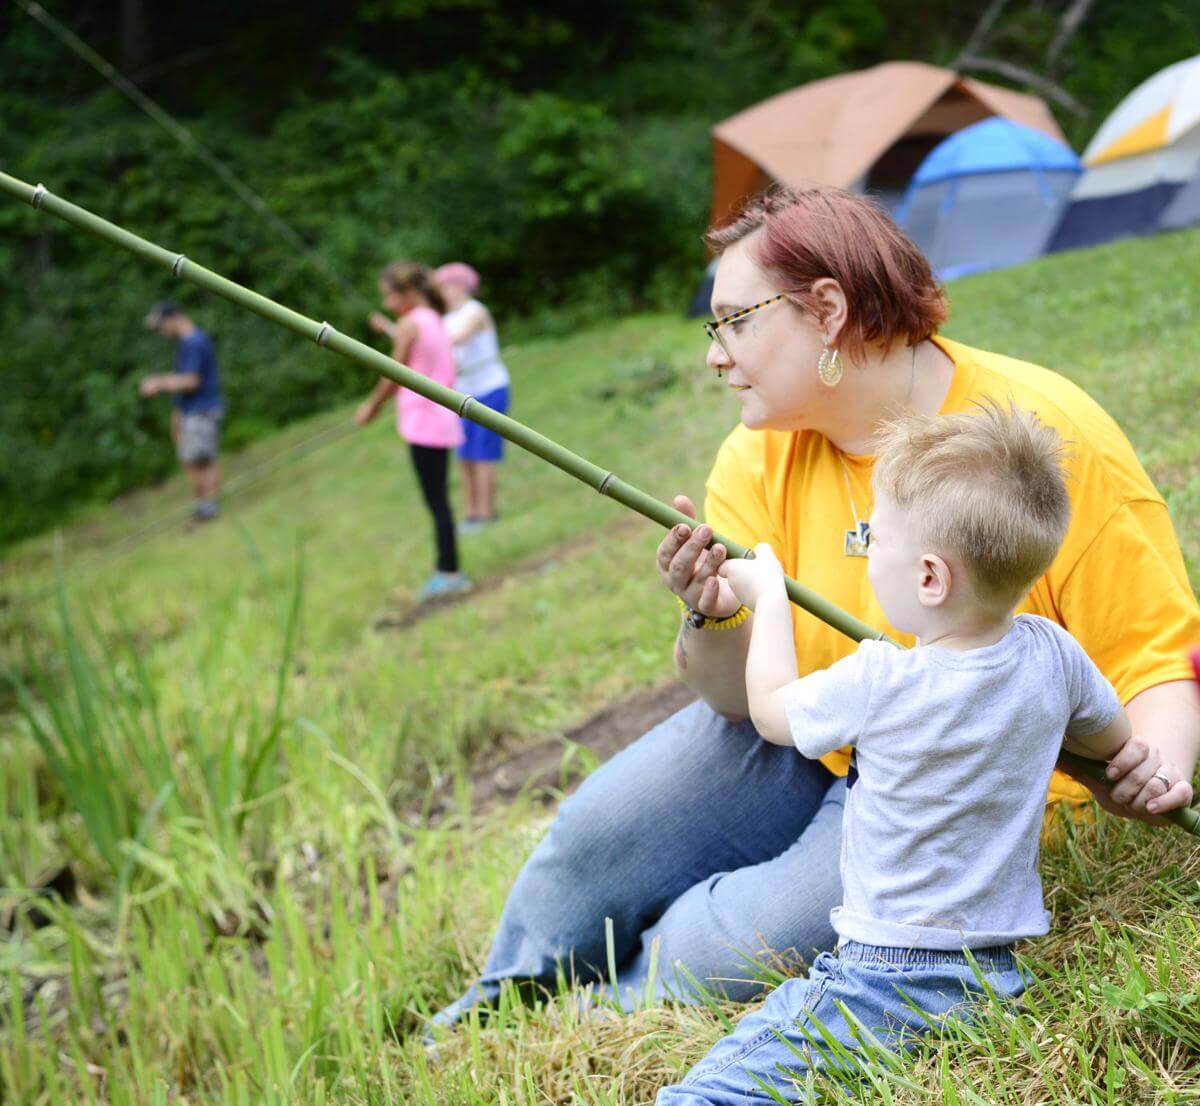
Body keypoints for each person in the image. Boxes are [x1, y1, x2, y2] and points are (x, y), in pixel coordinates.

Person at [431, 186, 1200, 1036]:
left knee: (709, 951)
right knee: (593, 838)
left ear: (827, 309)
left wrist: (1153, 770)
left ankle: (610, 1001)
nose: (715, 355)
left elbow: (1156, 663)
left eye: (734, 322)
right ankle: (487, 1011)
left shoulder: (1043, 440)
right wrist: (713, 615)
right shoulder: (759, 451)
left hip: (952, 787)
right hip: (809, 729)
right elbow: (737, 703)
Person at [654, 402, 1192, 1104]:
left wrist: (768, 594)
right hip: (992, 969)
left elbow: (771, 711)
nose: (868, 554)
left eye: (874, 541)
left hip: (884, 971)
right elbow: (1109, 741)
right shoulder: (1054, 656)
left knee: (708, 1090)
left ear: (931, 578)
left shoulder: (883, 680)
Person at [356, 262, 471, 601]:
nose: (387, 304)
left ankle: (449, 572)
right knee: (439, 500)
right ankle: (448, 570)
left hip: (423, 422)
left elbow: (391, 374)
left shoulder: (410, 324)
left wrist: (371, 408)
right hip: (442, 418)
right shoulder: (432, 318)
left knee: (436, 501)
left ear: (408, 293)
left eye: (390, 297)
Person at [435, 262, 511, 534]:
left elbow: (459, 338)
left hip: (489, 388)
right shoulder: (443, 318)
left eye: (444, 286)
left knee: (483, 454)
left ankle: (487, 515)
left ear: (459, 286)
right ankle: (471, 514)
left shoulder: (475, 311)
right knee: (465, 456)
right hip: (460, 396)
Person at [139, 301, 223, 524]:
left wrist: (158, 383)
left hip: (201, 411)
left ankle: (208, 509)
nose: (161, 331)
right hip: (192, 411)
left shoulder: (194, 342)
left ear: (173, 318)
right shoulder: (188, 343)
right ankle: (204, 507)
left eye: (161, 326)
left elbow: (192, 381)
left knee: (201, 461)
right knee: (194, 459)